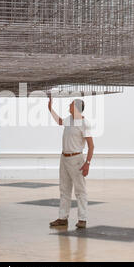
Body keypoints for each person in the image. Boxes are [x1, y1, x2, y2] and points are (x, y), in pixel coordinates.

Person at [48, 97, 94, 229]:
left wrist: (87, 163)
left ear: (77, 108)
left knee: (80, 190)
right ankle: (63, 218)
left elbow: (91, 146)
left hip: (76, 160)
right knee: (64, 189)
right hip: (64, 158)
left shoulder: (85, 124)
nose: (69, 106)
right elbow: (59, 121)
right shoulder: (69, 119)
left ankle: (82, 219)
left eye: (71, 104)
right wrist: (50, 109)